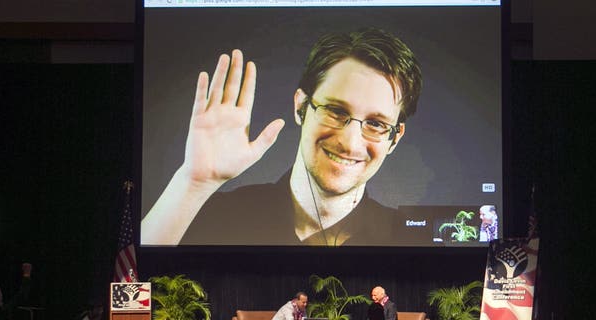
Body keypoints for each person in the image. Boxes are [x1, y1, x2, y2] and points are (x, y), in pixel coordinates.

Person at [141, 27, 423, 246]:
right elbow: (131, 279)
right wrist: (192, 183)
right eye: (335, 111)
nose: (349, 142)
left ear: (394, 139)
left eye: (375, 123)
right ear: (301, 107)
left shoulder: (410, 237)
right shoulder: (217, 213)